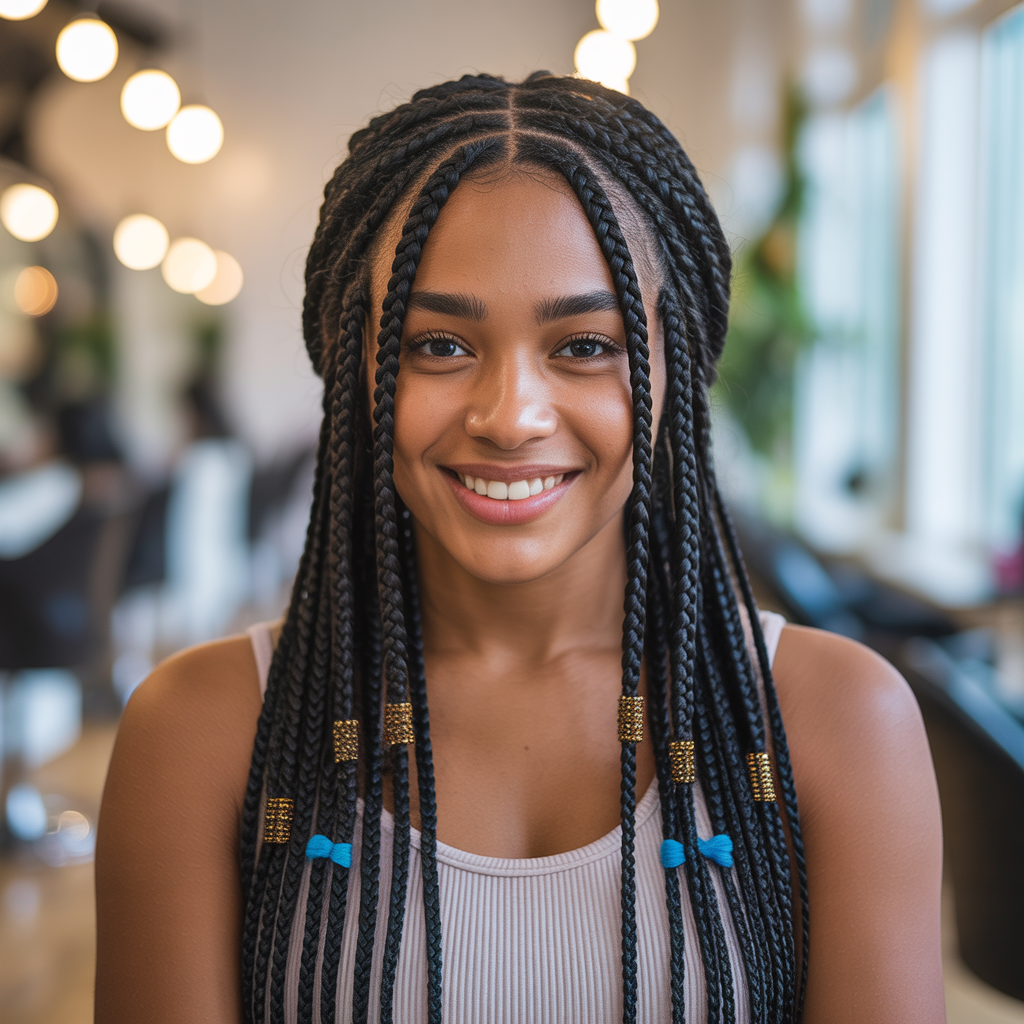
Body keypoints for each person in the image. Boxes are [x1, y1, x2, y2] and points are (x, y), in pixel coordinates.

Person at [94, 73, 944, 1024]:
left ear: (679, 364)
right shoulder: (201, 734)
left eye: (584, 344)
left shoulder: (838, 724)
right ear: (354, 366)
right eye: (438, 346)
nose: (511, 418)